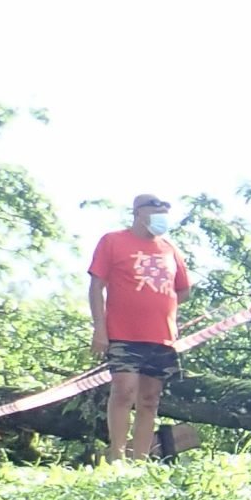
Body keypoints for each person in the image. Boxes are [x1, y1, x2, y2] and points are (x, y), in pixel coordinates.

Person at [87, 192, 191, 462]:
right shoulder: (113, 241)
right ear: (138, 212)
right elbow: (96, 285)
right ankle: (117, 456)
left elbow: (183, 290)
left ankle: (140, 459)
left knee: (150, 399)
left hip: (162, 337)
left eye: (165, 211)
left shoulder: (170, 249)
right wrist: (100, 328)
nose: (161, 216)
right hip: (123, 333)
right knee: (124, 391)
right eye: (156, 210)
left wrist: (161, 309)